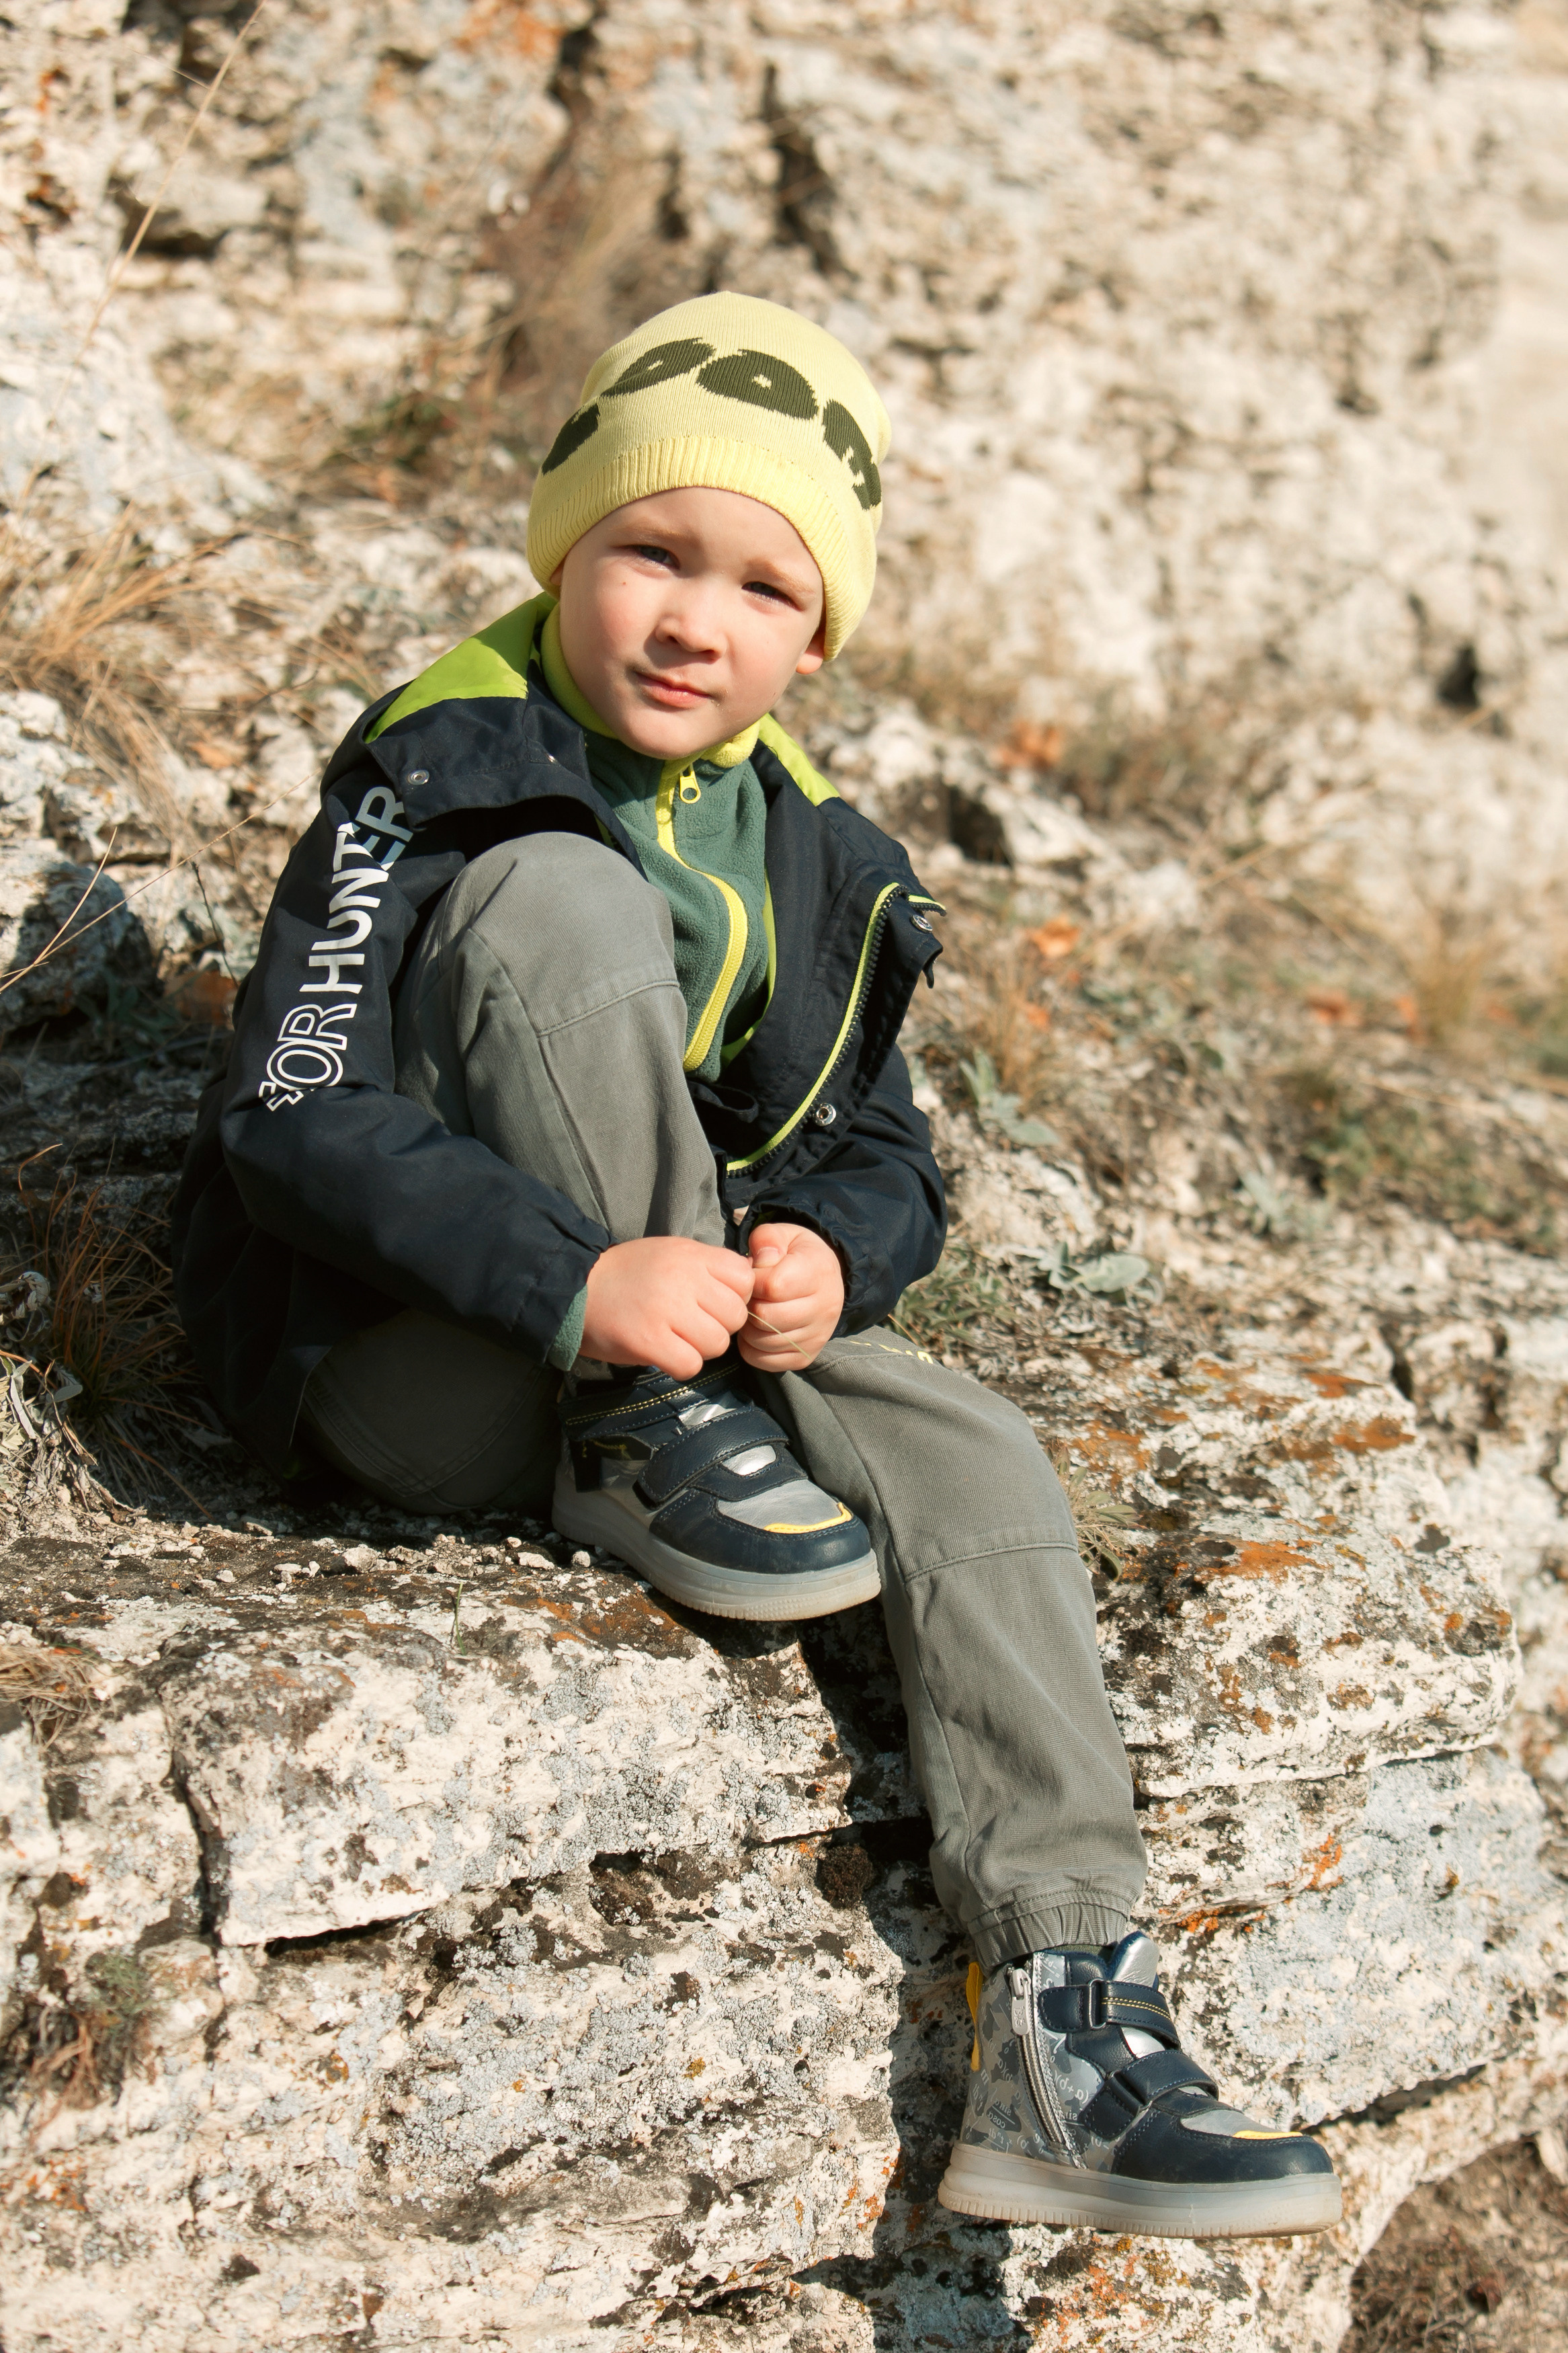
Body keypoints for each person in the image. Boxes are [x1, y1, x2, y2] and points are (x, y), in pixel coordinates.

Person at [171, 292, 1339, 2239]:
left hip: (667, 1354)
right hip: (413, 1357)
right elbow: (290, 1109)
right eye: (649, 550)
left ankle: (1069, 2016)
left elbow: (892, 1149)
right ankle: (649, 1418)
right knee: (562, 896)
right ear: (566, 544)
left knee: (968, 1450)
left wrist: (821, 1256)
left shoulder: (811, 848)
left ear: (820, 637)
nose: (693, 619)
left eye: (765, 589)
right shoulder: (435, 766)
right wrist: (576, 1287)